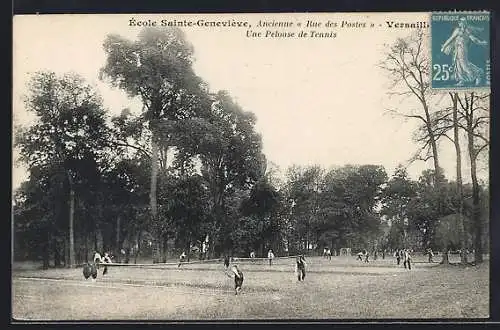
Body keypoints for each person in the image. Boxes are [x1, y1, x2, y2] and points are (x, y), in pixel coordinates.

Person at [441, 17, 488, 86]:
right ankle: (461, 81)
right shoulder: (457, 30)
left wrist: (481, 43)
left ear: (464, 23)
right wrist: (444, 46)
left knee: (464, 64)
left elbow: (474, 39)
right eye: (459, 22)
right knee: (458, 64)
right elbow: (451, 39)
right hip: (456, 49)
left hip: (462, 49)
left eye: (461, 22)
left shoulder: (467, 31)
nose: (459, 23)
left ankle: (477, 75)